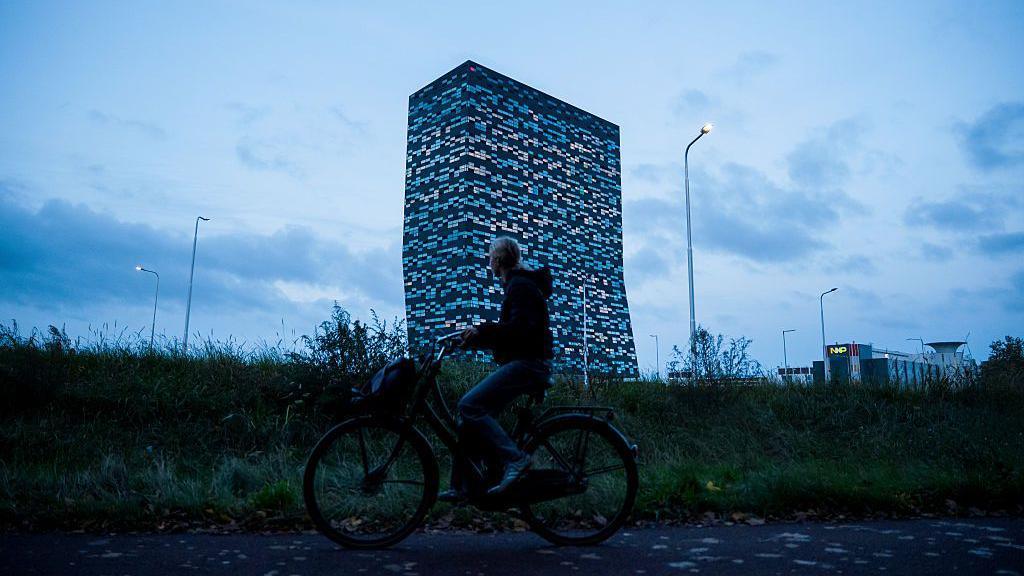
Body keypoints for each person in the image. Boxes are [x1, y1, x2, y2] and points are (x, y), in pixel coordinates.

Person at [439, 236, 554, 501]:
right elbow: (510, 333)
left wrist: (481, 331)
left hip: (529, 366)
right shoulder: (518, 286)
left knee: (469, 406)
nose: (488, 261)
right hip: (526, 363)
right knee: (468, 419)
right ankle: (463, 487)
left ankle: (516, 459)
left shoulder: (520, 287)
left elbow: (519, 331)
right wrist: (471, 339)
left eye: (490, 257)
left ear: (499, 260)